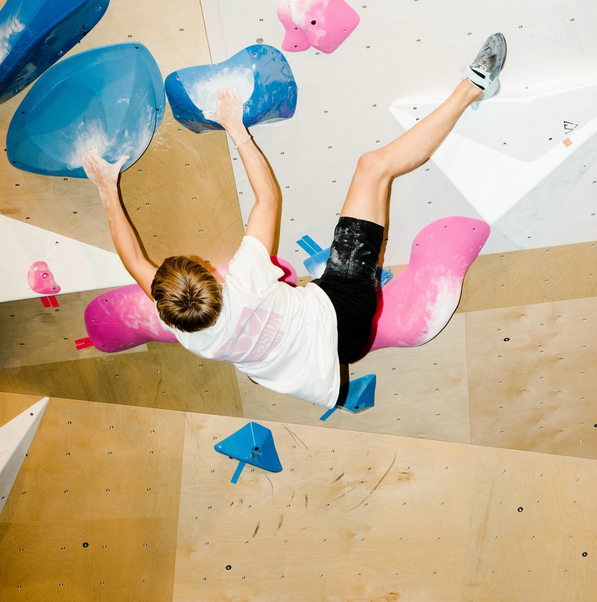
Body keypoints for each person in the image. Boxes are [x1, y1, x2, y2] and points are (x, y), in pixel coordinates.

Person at [83, 33, 507, 409]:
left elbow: (134, 261)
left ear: (166, 309)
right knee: (373, 168)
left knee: (361, 211)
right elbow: (267, 197)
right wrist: (235, 128)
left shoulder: (187, 330)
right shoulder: (245, 280)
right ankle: (473, 88)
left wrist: (108, 191)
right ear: (214, 278)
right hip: (343, 314)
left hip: (330, 356)